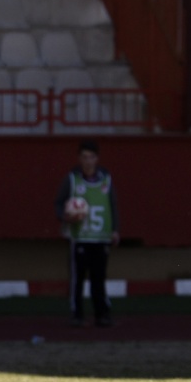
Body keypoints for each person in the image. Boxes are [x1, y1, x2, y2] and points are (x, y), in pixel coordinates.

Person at [53, 139, 119, 327]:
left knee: (99, 279)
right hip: (80, 238)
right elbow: (58, 203)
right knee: (78, 280)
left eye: (91, 157)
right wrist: (65, 216)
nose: (88, 161)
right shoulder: (72, 179)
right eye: (84, 157)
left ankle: (102, 315)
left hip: (101, 238)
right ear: (79, 158)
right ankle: (77, 315)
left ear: (97, 159)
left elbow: (113, 205)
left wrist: (115, 230)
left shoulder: (106, 180)